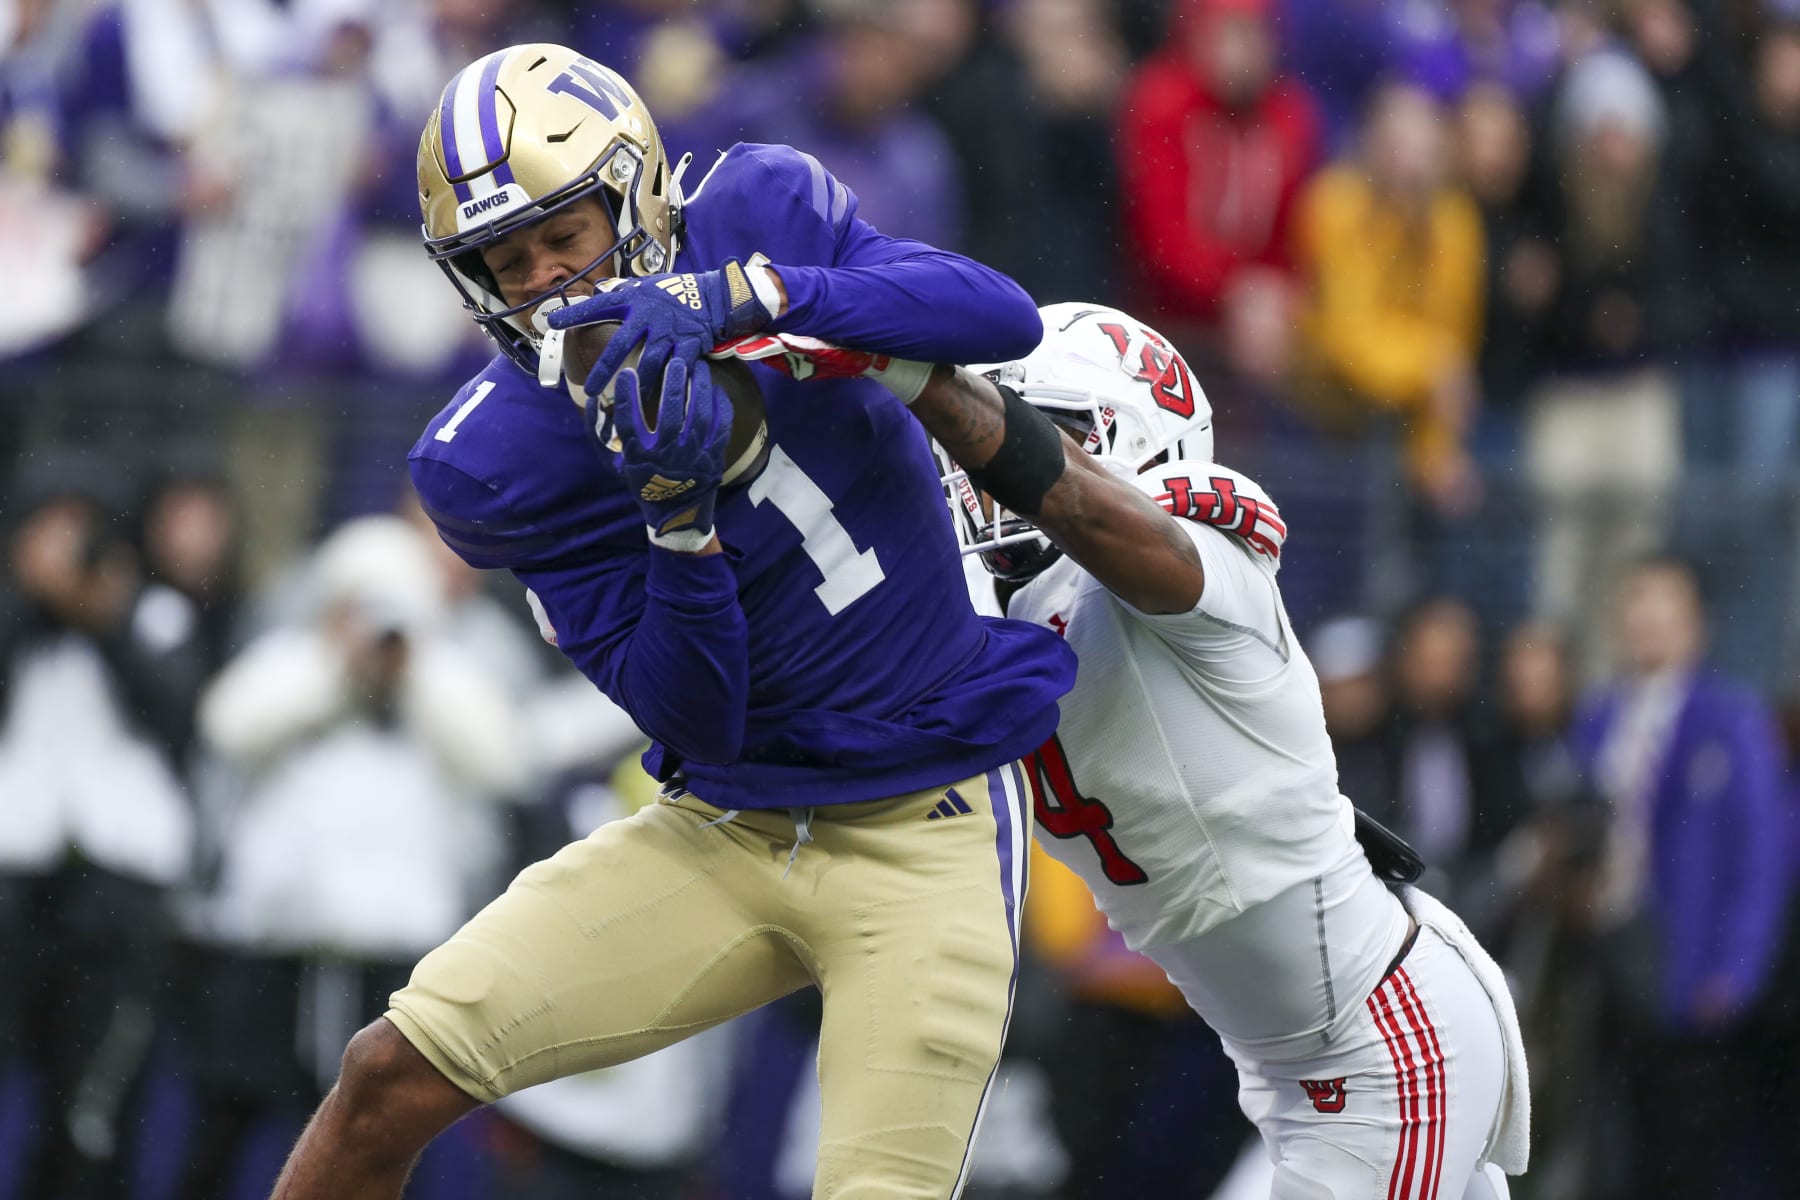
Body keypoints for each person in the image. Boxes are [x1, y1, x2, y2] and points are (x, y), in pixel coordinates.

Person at [266, 43, 1074, 1200]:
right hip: (733, 825)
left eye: (568, 237)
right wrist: (676, 520)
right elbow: (697, 713)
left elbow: (997, 319)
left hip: (924, 819)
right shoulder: (491, 460)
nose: (548, 279)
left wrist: (755, 297)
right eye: (510, 259)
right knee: (386, 1075)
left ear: (640, 193)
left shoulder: (758, 209)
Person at [728, 301, 1531, 1199]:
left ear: (1132, 441)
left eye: (1037, 427)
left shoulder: (1206, 560)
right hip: (1301, 1062)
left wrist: (924, 377)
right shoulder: (986, 614)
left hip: (1379, 1045)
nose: (981, 465)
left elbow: (1116, 525)